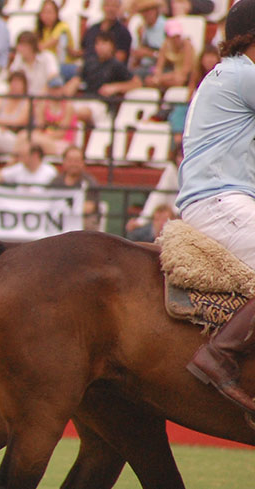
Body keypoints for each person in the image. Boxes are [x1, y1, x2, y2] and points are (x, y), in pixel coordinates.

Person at [173, 0, 255, 414]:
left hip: (220, 198)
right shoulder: (245, 76)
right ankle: (220, 353)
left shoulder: (230, 75)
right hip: (221, 201)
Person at [145, 19, 196, 89]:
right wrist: (157, 76)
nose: (176, 40)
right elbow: (159, 66)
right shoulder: (166, 45)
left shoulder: (188, 45)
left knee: (179, 80)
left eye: (178, 36)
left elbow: (186, 70)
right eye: (173, 37)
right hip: (173, 75)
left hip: (187, 76)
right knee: (149, 81)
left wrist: (161, 78)